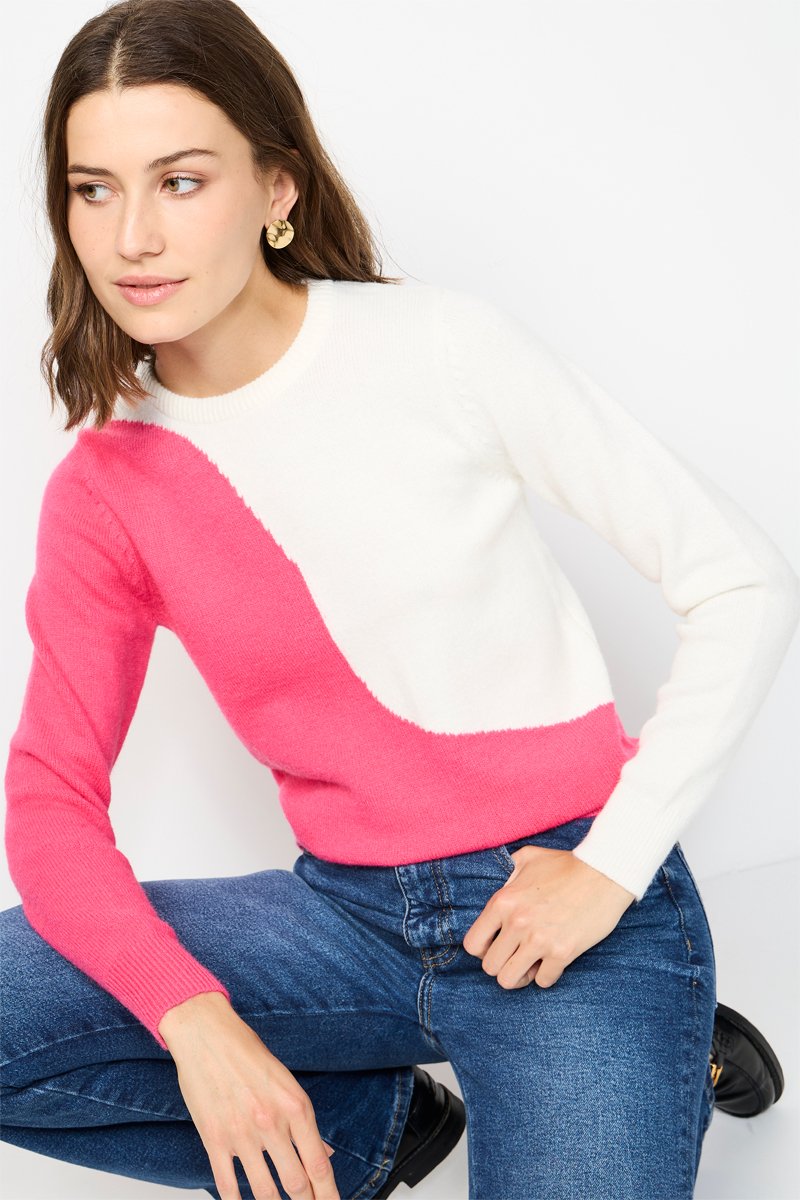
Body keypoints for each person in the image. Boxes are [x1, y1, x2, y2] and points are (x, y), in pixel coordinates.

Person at [0, 1, 794, 1197]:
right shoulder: (108, 485)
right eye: (93, 190)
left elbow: (738, 578)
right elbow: (51, 798)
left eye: (180, 180)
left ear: (276, 187)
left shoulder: (439, 347)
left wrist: (612, 866)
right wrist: (192, 1025)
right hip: (343, 921)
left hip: (559, 908)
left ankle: (661, 1033)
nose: (132, 237)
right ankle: (377, 1129)